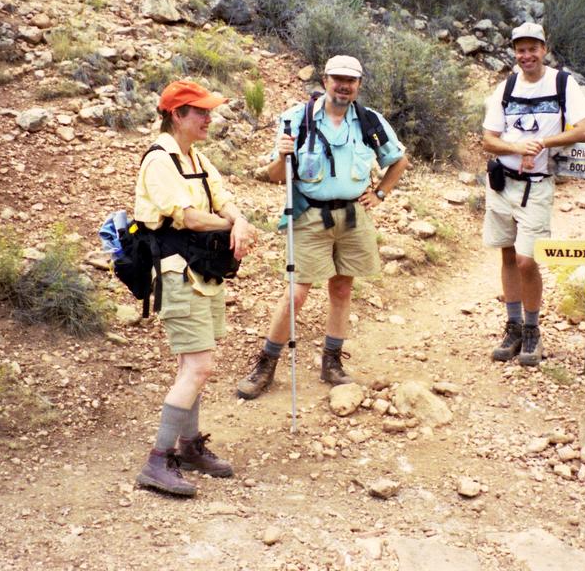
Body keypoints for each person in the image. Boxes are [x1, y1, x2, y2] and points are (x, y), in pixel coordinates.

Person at [237, 54, 409, 399]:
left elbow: (399, 160)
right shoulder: (297, 119)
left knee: (342, 288)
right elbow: (274, 177)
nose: (344, 86)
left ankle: (332, 362)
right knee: (296, 293)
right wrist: (283, 156)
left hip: (353, 215)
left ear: (358, 85)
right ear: (325, 80)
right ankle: (266, 364)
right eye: (337, 79)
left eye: (351, 80)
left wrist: (380, 193)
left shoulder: (368, 120)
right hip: (309, 216)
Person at [134, 79, 259, 497]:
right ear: (177, 115)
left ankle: (187, 447)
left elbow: (223, 199)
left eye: (209, 110)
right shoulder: (159, 161)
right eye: (200, 111)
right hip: (176, 272)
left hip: (201, 273)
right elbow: (187, 217)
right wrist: (234, 224)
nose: (209, 118)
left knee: (194, 365)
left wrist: (237, 218)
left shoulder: (197, 157)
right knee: (198, 367)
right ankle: (158, 459)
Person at [482, 22, 585, 366]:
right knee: (506, 255)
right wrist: (516, 146)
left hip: (537, 185)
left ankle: (532, 329)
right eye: (520, 49)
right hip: (502, 181)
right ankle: (513, 327)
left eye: (533, 49)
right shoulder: (506, 87)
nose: (526, 55)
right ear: (514, 52)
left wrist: (543, 142)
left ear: (544, 49)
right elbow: (488, 140)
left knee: (526, 259)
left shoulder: (562, 83)